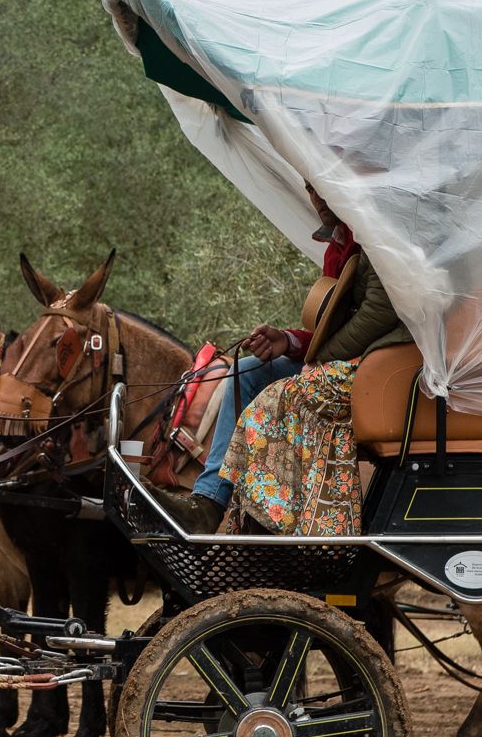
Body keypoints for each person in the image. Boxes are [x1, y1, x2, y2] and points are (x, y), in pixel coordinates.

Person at [169, 184, 411, 536]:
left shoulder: (378, 235)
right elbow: (333, 326)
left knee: (280, 396)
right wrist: (290, 340)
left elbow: (378, 313)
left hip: (375, 363)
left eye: (324, 188)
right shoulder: (336, 247)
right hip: (338, 359)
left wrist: (318, 357)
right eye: (311, 190)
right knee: (245, 373)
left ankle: (282, 519)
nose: (317, 199)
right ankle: (209, 501)